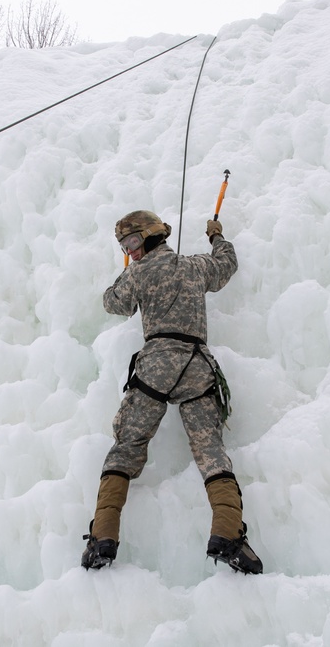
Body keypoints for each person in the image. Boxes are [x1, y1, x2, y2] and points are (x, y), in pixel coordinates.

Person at [81, 210, 263, 574]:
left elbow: (112, 302)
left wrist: (127, 269)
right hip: (198, 365)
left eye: (132, 243)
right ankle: (228, 534)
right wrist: (216, 236)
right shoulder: (195, 267)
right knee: (211, 451)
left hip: (157, 365)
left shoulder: (139, 271)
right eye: (124, 246)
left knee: (127, 446)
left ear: (148, 238)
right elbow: (226, 263)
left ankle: (103, 537)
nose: (130, 250)